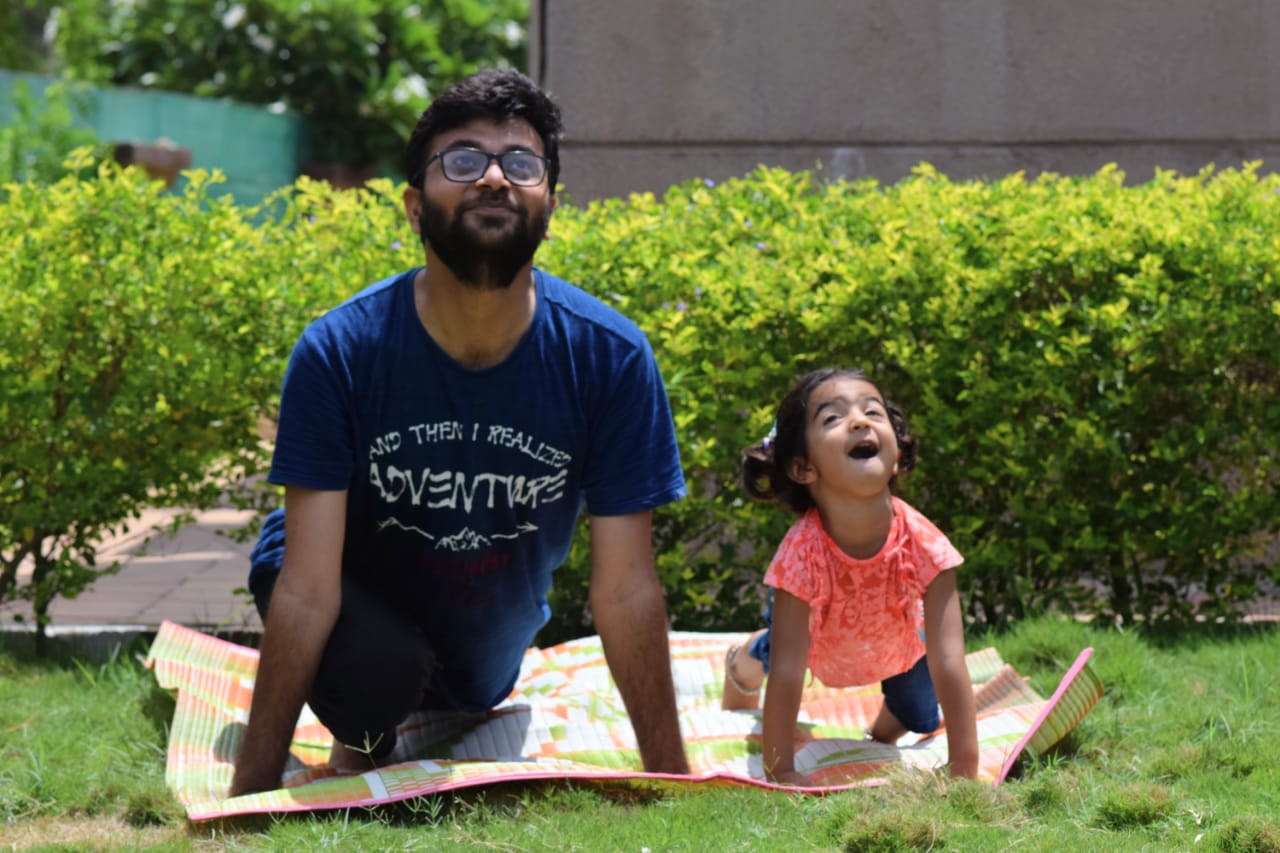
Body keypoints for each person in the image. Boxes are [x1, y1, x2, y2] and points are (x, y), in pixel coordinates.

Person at [230, 69, 690, 797]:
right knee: (385, 678)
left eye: (522, 162)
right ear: (415, 208)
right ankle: (358, 733)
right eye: (464, 160)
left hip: (483, 661)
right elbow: (310, 590)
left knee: (465, 691)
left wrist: (674, 779)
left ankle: (384, 718)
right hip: (337, 580)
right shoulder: (340, 351)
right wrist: (250, 790)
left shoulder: (611, 357)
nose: (495, 178)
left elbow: (627, 588)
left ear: (549, 205)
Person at [721, 367, 978, 785]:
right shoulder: (801, 554)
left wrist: (964, 769)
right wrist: (781, 770)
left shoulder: (927, 545)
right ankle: (744, 658)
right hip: (818, 638)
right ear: (804, 468)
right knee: (778, 651)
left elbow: (948, 659)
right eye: (832, 418)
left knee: (919, 714)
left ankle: (877, 735)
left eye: (872, 412)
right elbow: (788, 672)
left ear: (896, 455)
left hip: (896, 641)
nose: (860, 421)